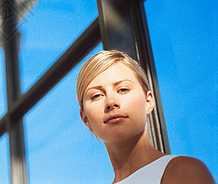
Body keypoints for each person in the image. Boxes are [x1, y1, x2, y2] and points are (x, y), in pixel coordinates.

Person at [76, 50, 215, 183]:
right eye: (96, 96)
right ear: (85, 119)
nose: (111, 102)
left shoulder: (184, 172)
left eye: (123, 89)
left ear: (148, 101)